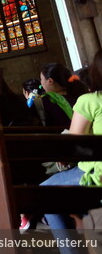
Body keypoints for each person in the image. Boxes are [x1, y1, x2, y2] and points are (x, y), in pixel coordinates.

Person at [41, 49, 102, 254]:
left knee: (45, 192)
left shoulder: (90, 100)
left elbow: (73, 146)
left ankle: (70, 250)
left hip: (98, 172)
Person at [39, 63, 87, 129]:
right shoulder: (80, 92)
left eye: (41, 79)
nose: (41, 82)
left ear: (50, 81)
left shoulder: (46, 100)